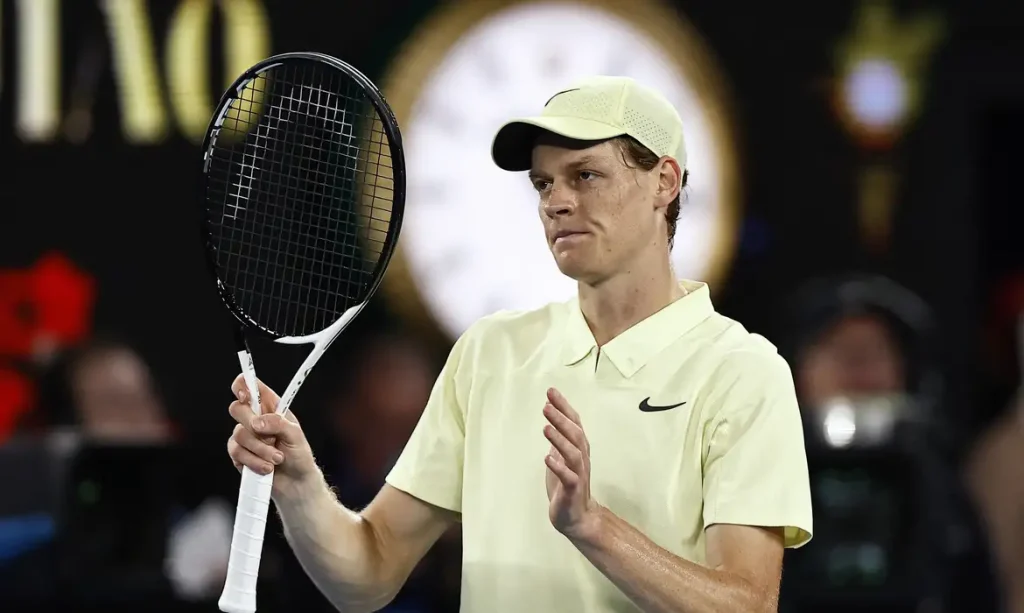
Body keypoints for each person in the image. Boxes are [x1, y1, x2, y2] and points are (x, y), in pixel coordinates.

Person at [226, 76, 813, 613]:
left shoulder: (744, 374)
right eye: (544, 183)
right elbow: (369, 572)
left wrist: (592, 526)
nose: (556, 201)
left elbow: (747, 606)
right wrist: (300, 486)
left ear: (664, 181)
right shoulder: (490, 353)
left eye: (585, 175)